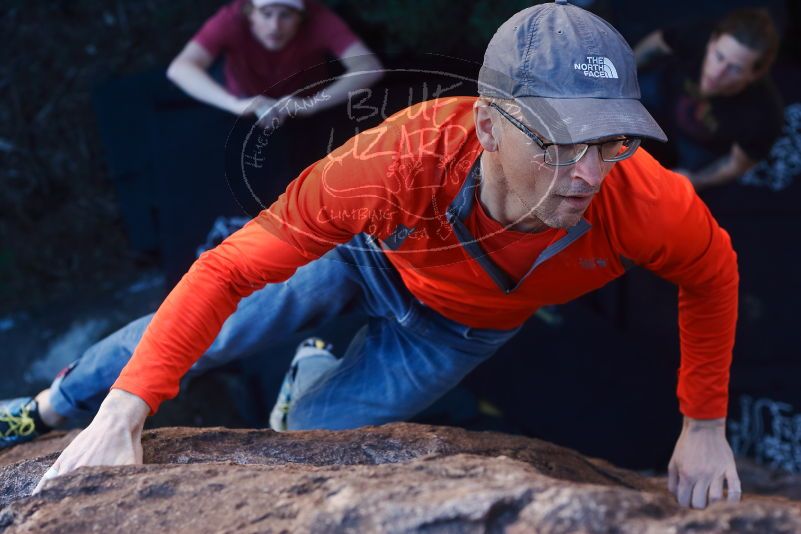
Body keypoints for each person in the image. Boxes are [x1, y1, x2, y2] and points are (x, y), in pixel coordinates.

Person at [2, 1, 740, 510]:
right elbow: (225, 269)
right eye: (556, 143)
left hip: (458, 326)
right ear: (486, 126)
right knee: (210, 334)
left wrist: (703, 425)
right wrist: (123, 415)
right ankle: (46, 407)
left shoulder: (641, 200)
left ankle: (312, 374)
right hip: (363, 254)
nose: (585, 174)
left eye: (609, 143)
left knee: (311, 441)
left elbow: (712, 276)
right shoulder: (394, 161)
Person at [166, 0, 383, 128]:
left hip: (306, 104)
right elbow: (181, 68)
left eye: (285, 16)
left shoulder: (319, 19)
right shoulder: (230, 20)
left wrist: (312, 104)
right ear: (251, 13)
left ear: (301, 16)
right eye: (266, 14)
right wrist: (235, 104)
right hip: (243, 101)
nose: (275, 26)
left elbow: (369, 66)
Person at [633, 8, 783, 190]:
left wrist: (696, 180)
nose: (717, 73)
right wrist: (626, 69)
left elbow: (735, 165)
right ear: (712, 42)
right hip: (663, 94)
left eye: (734, 69)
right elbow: (658, 42)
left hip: (698, 144)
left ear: (755, 74)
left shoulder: (765, 116)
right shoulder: (698, 35)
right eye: (719, 56)